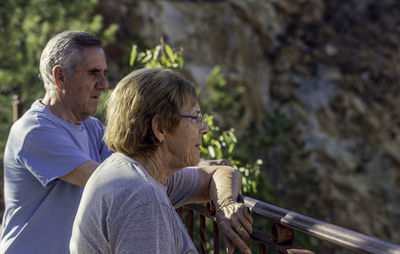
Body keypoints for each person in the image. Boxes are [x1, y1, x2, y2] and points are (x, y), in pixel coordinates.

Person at [69, 68, 253, 254]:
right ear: (160, 128)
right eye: (195, 117)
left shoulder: (131, 170)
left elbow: (221, 171)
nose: (204, 128)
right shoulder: (143, 198)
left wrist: (226, 205)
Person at [0, 31, 113, 253]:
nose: (104, 84)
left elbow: (135, 166)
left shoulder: (93, 127)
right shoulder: (34, 131)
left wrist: (195, 168)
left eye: (104, 73)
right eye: (93, 73)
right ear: (60, 77)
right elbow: (108, 182)